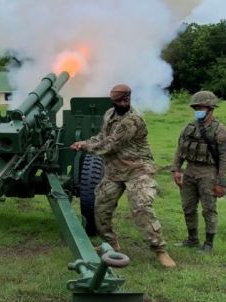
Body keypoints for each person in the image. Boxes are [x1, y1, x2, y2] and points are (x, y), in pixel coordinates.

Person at [71, 84, 176, 268]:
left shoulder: (133, 120)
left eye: (126, 99)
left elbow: (110, 145)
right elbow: (101, 137)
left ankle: (160, 250)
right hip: (115, 170)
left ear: (129, 98)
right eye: (119, 100)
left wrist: (87, 147)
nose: (123, 103)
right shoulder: (109, 114)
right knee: (101, 206)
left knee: (141, 206)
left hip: (138, 169)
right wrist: (85, 142)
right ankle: (111, 245)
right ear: (113, 100)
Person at [171, 91, 226, 252]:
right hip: (189, 171)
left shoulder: (220, 130)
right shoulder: (189, 127)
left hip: (208, 173)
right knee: (188, 207)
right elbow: (180, 150)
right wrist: (176, 169)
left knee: (209, 209)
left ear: (211, 108)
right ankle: (192, 239)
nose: (198, 110)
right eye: (195, 107)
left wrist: (221, 183)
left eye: (201, 107)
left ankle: (209, 243)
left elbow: (224, 160)